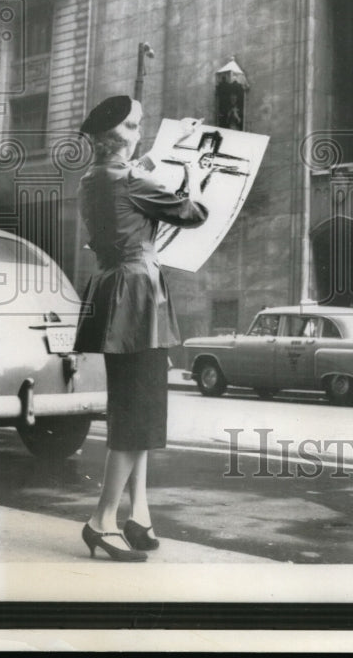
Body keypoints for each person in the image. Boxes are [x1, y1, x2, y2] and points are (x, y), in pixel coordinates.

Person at [75, 95, 208, 562]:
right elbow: (193, 213)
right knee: (137, 418)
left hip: (115, 294)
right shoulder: (132, 181)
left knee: (135, 410)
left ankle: (139, 515)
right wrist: (193, 176)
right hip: (139, 298)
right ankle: (102, 520)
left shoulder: (94, 179)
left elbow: (129, 175)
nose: (140, 131)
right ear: (118, 138)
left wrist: (169, 149)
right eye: (135, 126)